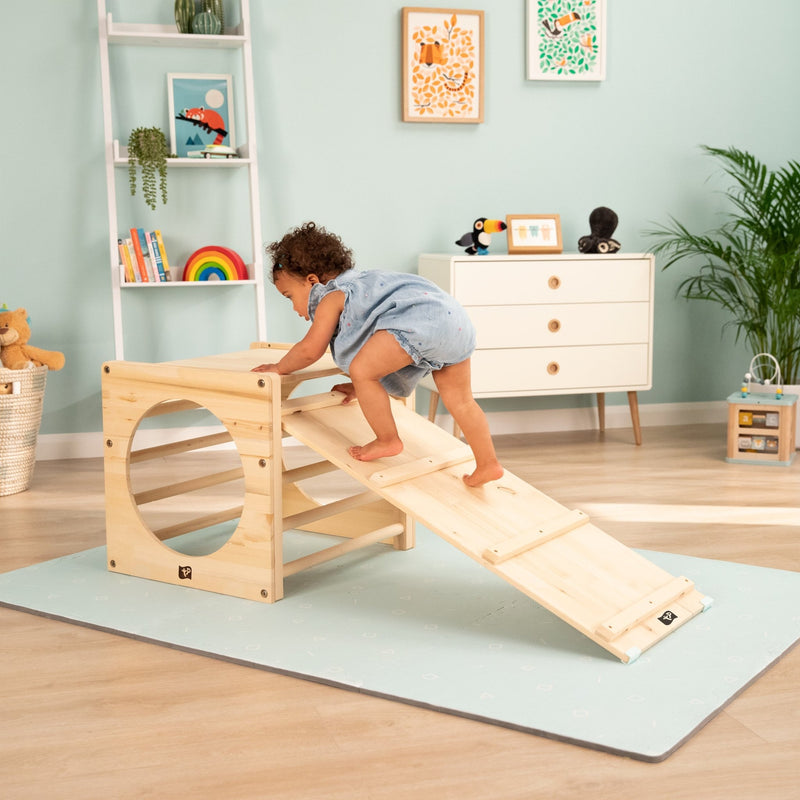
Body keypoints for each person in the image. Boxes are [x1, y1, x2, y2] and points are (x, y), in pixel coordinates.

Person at [252, 221, 503, 487]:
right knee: (462, 402)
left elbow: (309, 350)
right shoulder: (368, 285)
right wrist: (360, 386)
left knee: (363, 370)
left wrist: (279, 368)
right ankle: (488, 464)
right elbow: (385, 354)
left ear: (312, 281)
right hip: (455, 322)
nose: (293, 307)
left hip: (420, 322)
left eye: (290, 296)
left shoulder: (333, 296)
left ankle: (388, 439)